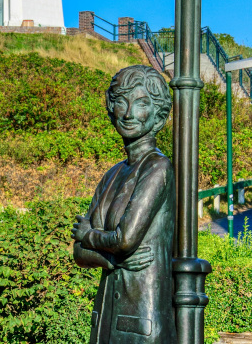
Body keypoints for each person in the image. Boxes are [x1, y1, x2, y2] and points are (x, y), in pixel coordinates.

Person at [72, 65, 176, 344]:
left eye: (142, 103)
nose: (129, 113)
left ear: (158, 117)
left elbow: (125, 239)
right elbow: (79, 253)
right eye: (121, 101)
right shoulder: (112, 174)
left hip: (142, 318)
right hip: (105, 318)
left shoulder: (158, 167)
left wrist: (90, 236)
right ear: (111, 108)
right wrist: (113, 259)